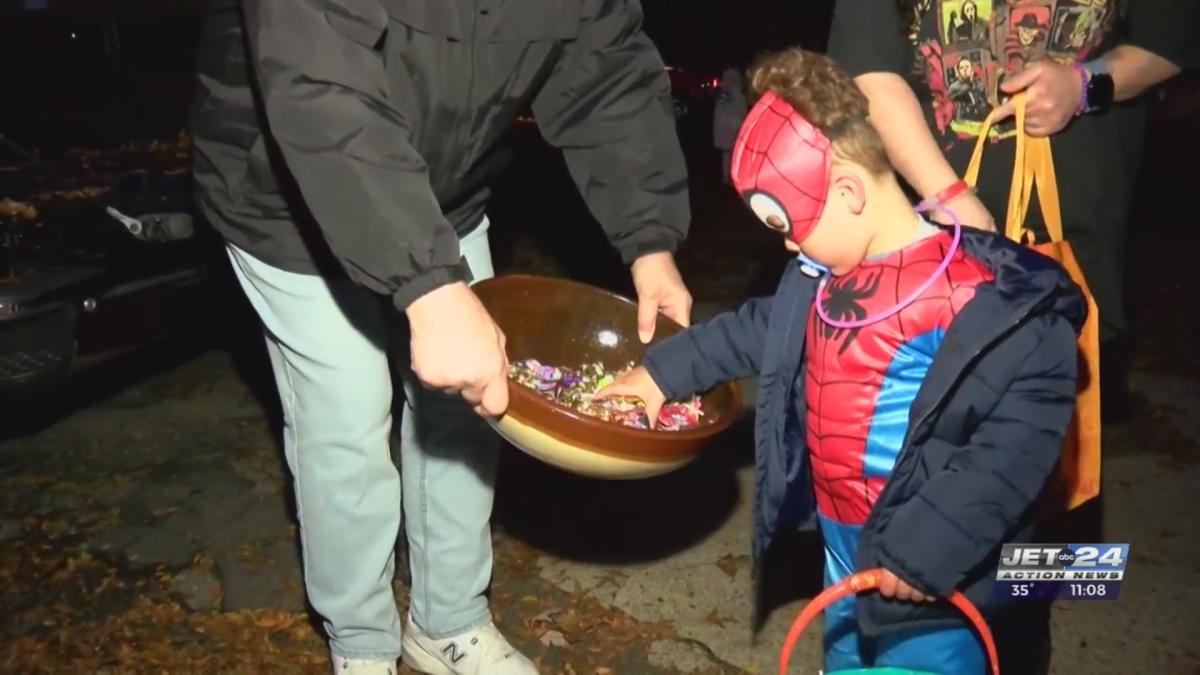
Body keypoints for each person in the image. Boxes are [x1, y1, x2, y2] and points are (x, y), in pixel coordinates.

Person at [189, 2, 694, 674]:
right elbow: (319, 85)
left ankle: (448, 622)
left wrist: (649, 237)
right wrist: (426, 285)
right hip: (286, 192)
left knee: (475, 399)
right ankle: (361, 643)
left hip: (439, 190)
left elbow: (607, 72)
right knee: (347, 408)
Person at [595, 48, 1084, 673]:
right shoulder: (824, 279)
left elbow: (1012, 451)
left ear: (848, 192)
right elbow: (754, 331)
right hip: (844, 548)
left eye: (790, 225)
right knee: (850, 656)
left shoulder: (985, 306)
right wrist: (662, 373)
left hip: (935, 572)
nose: (789, 243)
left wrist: (930, 549)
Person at [826, 0, 1194, 423]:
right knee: (924, 446)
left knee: (1046, 458)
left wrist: (1083, 85)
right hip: (930, 252)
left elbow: (1169, 41)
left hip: (1073, 250)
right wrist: (950, 198)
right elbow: (868, 70)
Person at [713, 63, 748, 184]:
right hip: (729, 126)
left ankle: (730, 176)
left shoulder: (733, 95)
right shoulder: (728, 95)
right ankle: (728, 176)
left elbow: (738, 110)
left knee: (731, 152)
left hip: (731, 126)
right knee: (729, 152)